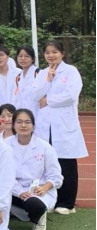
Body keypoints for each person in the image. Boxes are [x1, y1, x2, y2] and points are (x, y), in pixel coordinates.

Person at [33, 41, 88, 215]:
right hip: (45, 125)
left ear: (62, 53)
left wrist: (48, 100)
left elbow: (71, 96)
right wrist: (48, 80)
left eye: (55, 52)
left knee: (66, 163)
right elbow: (36, 95)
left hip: (63, 124)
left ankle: (67, 203)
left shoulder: (71, 71)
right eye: (47, 52)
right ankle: (51, 199)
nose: (51, 55)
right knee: (47, 162)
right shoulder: (42, 73)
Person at [7, 109, 63, 230]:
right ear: (13, 125)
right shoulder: (5, 145)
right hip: (12, 188)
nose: (23, 125)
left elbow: (55, 174)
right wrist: (19, 192)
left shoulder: (45, 147)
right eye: (19, 122)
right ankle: (13, 211)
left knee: (34, 204)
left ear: (33, 126)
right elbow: (3, 174)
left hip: (38, 190)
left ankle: (39, 216)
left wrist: (45, 188)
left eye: (27, 122)